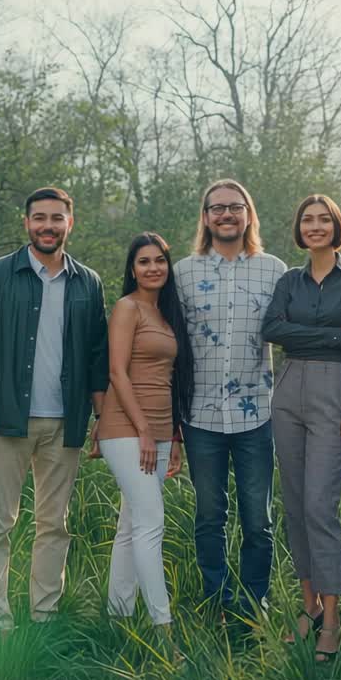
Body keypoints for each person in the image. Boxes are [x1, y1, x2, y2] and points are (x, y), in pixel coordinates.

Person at [0, 186, 109, 634]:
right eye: (40, 217)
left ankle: (44, 617)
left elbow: (98, 355)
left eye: (57, 218)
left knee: (54, 525)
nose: (48, 225)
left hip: (64, 422)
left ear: (71, 222)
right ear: (26, 223)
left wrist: (101, 420)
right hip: (6, 419)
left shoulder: (88, 281)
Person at [262, 194, 341, 662]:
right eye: (307, 219)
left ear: (336, 226)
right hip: (288, 389)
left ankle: (331, 618)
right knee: (293, 503)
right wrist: (335, 336)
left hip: (335, 391)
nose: (315, 226)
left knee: (319, 506)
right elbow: (272, 329)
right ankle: (306, 608)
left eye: (323, 219)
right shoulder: (290, 279)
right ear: (299, 229)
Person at [173, 179, 288, 625]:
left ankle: (254, 602)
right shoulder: (182, 272)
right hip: (200, 415)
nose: (226, 215)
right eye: (217, 208)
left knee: (258, 519)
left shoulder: (274, 270)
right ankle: (217, 602)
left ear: (248, 215)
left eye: (235, 208)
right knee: (209, 516)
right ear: (205, 217)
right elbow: (170, 344)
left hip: (257, 413)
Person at [95, 232, 193, 657]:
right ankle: (164, 630)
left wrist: (172, 437)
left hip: (157, 429)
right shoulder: (127, 308)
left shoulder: (167, 313)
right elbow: (118, 373)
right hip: (124, 428)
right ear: (131, 269)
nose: (152, 268)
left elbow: (168, 382)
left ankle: (118, 616)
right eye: (143, 262)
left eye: (159, 261)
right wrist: (143, 431)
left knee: (131, 526)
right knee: (151, 522)